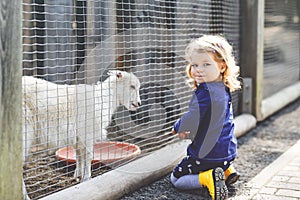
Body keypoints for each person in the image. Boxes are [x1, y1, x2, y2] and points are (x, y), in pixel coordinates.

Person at [170, 34, 241, 200]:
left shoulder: (204, 93)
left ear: (222, 66)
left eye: (206, 64)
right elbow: (210, 122)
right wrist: (191, 132)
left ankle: (206, 178)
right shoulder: (223, 88)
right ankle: (227, 171)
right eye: (195, 65)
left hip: (206, 157)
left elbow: (193, 117)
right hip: (228, 153)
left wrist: (178, 126)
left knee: (176, 179)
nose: (198, 69)